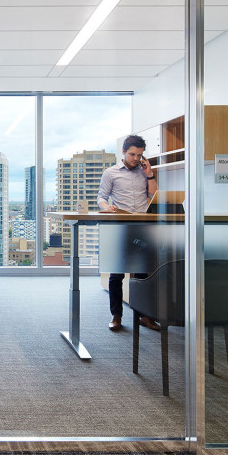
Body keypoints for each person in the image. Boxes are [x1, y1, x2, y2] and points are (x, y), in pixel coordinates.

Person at [97, 135, 160, 332]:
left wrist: (149, 174)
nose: (135, 158)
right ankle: (116, 316)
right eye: (132, 154)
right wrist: (107, 207)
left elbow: (154, 196)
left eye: (139, 155)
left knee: (143, 275)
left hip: (143, 227)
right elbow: (101, 197)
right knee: (116, 274)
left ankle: (145, 316)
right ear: (123, 152)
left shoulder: (145, 172)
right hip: (121, 227)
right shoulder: (111, 173)